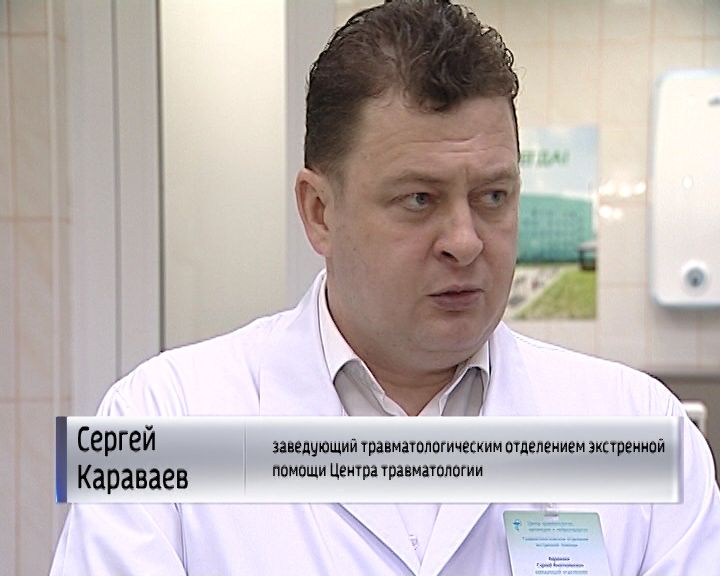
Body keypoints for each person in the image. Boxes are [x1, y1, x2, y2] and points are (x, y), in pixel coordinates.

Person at [51, 1, 720, 574]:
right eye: (419, 199)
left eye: (493, 196)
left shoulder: (643, 432)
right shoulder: (158, 423)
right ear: (320, 212)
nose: (465, 241)